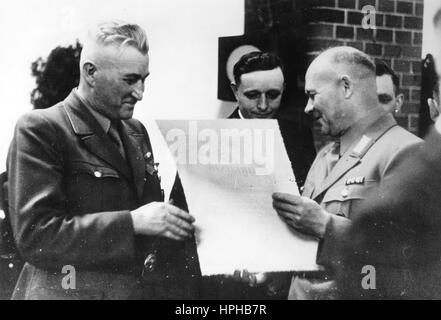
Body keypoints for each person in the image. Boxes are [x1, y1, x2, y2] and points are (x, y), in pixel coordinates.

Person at [7, 21, 200, 300]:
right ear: (91, 73)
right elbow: (36, 237)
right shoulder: (41, 129)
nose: (140, 92)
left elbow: (147, 222)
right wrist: (132, 223)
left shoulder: (135, 131)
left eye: (144, 79)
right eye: (130, 80)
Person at [272, 46, 422, 300]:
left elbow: (409, 254)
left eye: (313, 95)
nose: (308, 107)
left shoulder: (407, 152)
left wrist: (325, 225)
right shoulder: (325, 155)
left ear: (346, 87)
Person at [228, 51, 316, 188]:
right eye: (252, 95)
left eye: (273, 95)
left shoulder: (300, 135)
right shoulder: (212, 138)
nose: (263, 106)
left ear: (283, 89)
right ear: (235, 91)